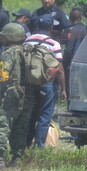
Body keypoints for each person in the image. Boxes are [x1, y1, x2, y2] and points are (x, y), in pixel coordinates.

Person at [24, 14, 66, 150]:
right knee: (45, 114)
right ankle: (39, 146)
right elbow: (59, 69)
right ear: (51, 27)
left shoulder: (27, 40)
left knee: (30, 113)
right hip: (46, 84)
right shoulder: (54, 44)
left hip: (29, 83)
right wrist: (63, 89)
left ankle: (26, 143)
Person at [0, 24, 37, 168]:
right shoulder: (27, 51)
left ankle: (1, 159)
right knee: (21, 127)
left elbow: (3, 75)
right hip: (28, 94)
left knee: (3, 124)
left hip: (12, 94)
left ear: (9, 36)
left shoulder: (8, 53)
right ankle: (17, 159)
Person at [63, 8, 87, 97]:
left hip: (72, 65)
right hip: (85, 64)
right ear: (81, 17)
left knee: (71, 91)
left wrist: (63, 63)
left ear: (70, 18)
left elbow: (68, 50)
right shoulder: (86, 29)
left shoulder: (71, 31)